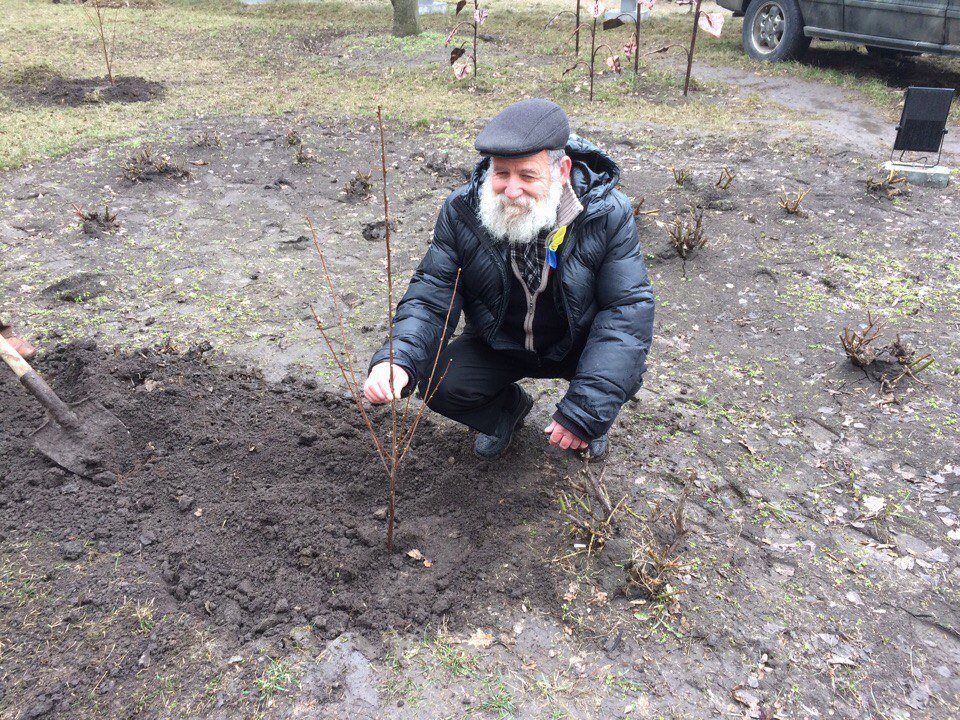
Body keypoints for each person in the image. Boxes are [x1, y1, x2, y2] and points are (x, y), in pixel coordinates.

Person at [363, 99, 654, 460]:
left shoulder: (606, 214)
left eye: (527, 176)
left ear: (561, 170)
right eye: (501, 173)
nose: (511, 190)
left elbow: (625, 313)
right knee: (437, 380)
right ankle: (505, 412)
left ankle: (591, 422)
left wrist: (586, 412)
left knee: (620, 365)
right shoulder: (462, 211)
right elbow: (432, 294)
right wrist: (398, 357)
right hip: (501, 341)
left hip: (577, 345)